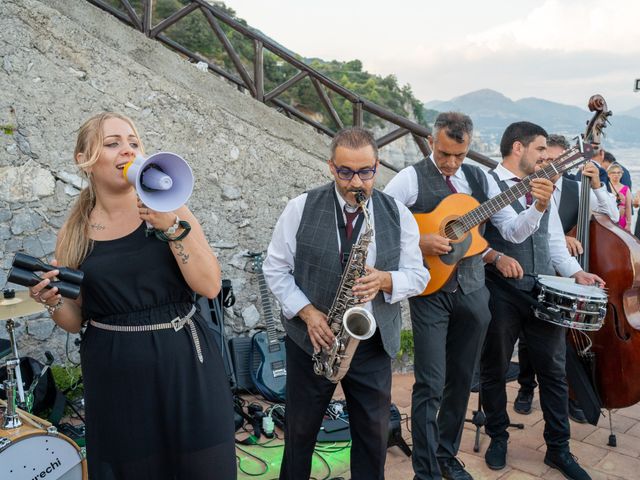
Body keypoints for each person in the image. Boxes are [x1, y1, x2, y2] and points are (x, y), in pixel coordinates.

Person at [28, 112, 237, 480]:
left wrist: (173, 227)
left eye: (134, 142)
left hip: (184, 365)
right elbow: (75, 322)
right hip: (114, 376)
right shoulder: (74, 232)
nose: (127, 150)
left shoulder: (169, 205)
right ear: (84, 159)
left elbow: (209, 286)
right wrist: (54, 301)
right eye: (113, 143)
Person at [384, 112, 554, 480]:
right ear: (432, 142)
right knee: (430, 382)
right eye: (444, 153)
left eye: (458, 155)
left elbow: (512, 232)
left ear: (468, 148)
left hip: (474, 291)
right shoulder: (410, 178)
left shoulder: (480, 178)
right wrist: (418, 241)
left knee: (462, 378)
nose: (450, 163)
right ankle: (425, 471)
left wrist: (538, 207)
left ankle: (446, 456)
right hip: (430, 291)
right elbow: (381, 224)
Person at [263, 127, 428, 480]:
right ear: (331, 167)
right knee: (300, 432)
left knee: (372, 435)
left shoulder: (397, 212)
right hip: (312, 341)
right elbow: (275, 268)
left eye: (366, 172)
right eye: (346, 172)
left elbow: (419, 275)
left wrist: (386, 280)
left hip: (370, 344)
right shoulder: (301, 206)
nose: (357, 182)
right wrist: (307, 313)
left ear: (377, 167)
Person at [480, 121, 603, 480]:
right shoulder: (490, 183)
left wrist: (574, 272)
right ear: (518, 148)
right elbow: (512, 231)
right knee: (495, 368)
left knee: (553, 370)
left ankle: (559, 450)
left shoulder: (542, 184)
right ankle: (497, 436)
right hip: (501, 290)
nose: (544, 158)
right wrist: (538, 204)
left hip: (543, 288)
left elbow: (551, 242)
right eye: (539, 150)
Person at [515, 133, 619, 422]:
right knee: (529, 333)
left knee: (562, 337)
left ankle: (576, 391)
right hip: (540, 267)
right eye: (547, 158)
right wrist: (562, 237)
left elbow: (611, 217)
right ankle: (525, 387)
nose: (552, 164)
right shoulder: (530, 187)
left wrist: (597, 186)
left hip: (570, 269)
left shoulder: (577, 187)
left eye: (559, 159)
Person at [608, 163, 632, 231]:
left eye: (619, 173)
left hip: (621, 219)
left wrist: (628, 224)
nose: (616, 175)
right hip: (608, 219)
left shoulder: (626, 189)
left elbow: (628, 207)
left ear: (621, 174)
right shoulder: (605, 186)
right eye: (613, 172)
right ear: (608, 174)